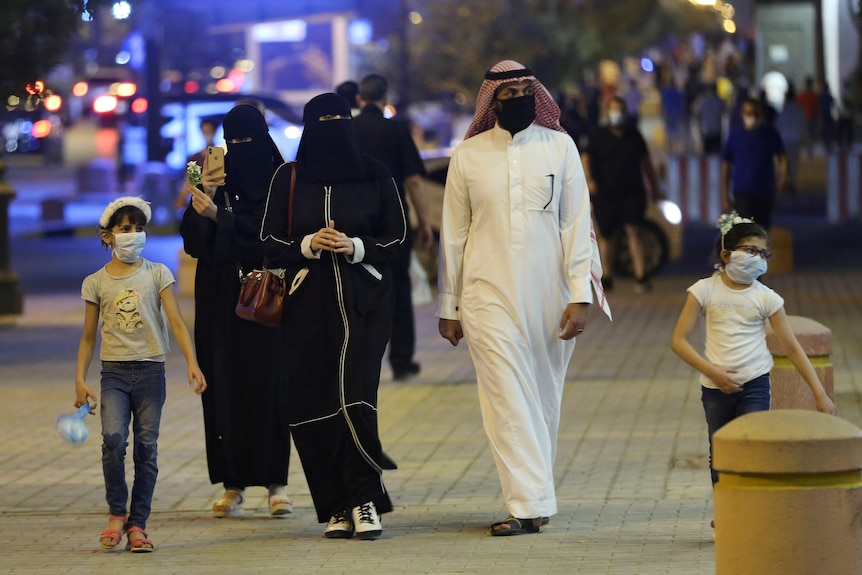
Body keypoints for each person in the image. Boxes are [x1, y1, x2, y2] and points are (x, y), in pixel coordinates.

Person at [436, 60, 611, 537]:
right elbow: (454, 235)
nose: (517, 97)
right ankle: (526, 504)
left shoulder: (560, 146)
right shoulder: (469, 155)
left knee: (541, 396)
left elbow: (577, 226)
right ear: (491, 101)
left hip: (549, 293)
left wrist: (580, 296)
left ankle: (534, 496)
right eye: (506, 91)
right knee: (505, 395)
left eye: (523, 89)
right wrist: (448, 306)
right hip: (484, 292)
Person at [260, 92, 406, 540]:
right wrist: (307, 245)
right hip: (307, 311)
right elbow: (267, 240)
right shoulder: (288, 178)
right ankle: (336, 505)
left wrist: (357, 247)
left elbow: (397, 235)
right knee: (315, 407)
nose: (333, 128)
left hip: (364, 308)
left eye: (340, 120)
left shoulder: (374, 174)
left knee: (354, 401)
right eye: (324, 122)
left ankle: (364, 500)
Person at [669, 213, 837, 520]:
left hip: (755, 384)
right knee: (720, 453)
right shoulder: (703, 291)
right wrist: (713, 372)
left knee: (752, 446)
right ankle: (726, 515)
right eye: (750, 250)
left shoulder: (767, 298)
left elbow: (793, 348)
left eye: (763, 254)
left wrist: (819, 393)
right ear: (726, 253)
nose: (757, 259)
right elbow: (678, 341)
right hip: (715, 389)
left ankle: (751, 514)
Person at [74, 196, 207, 552]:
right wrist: (79, 379)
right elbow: (88, 336)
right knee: (113, 441)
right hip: (113, 373)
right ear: (108, 236)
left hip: (151, 371)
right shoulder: (95, 283)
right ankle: (117, 513)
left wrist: (192, 362)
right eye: (125, 229)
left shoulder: (159, 273)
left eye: (138, 229)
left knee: (147, 449)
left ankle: (138, 524)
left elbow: (176, 322)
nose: (133, 235)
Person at [180, 104, 292, 519]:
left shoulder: (281, 179)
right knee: (222, 384)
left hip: (264, 296)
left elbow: (271, 236)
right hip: (218, 297)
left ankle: (276, 482)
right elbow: (193, 242)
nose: (240, 149)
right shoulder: (203, 174)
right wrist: (205, 199)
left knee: (270, 384)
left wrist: (221, 218)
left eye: (248, 139)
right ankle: (232, 483)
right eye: (233, 140)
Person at [353, 73, 432, 381]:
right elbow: (413, 179)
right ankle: (401, 361)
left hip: (356, 223)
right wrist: (423, 221)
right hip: (393, 221)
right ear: (385, 100)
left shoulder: (349, 130)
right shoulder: (396, 131)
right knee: (398, 289)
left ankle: (359, 363)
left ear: (360, 99)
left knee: (357, 291)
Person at [583, 95, 662, 293]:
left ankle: (641, 275)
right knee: (608, 235)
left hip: (632, 191)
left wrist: (655, 187)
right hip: (605, 193)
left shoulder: (634, 135)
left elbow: (646, 163)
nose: (616, 113)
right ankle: (606, 276)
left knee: (635, 230)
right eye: (613, 109)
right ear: (607, 112)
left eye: (620, 109)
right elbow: (586, 156)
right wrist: (589, 179)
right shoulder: (598, 135)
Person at [720, 98, 787, 230]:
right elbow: (725, 165)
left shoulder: (770, 134)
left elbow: (782, 157)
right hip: (742, 192)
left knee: (762, 232)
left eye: (754, 113)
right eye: (748, 113)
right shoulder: (735, 136)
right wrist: (724, 194)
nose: (751, 117)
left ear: (760, 114)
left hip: (765, 192)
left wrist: (782, 178)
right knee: (747, 233)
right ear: (742, 114)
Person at [174, 118, 218, 210]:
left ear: (214, 132)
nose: (207, 134)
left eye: (210, 131)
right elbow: (190, 182)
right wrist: (181, 199)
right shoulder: (195, 158)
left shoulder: (222, 154)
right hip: (200, 201)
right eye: (204, 131)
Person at [775, 83, 805, 193]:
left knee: (783, 163)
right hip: (795, 140)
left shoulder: (783, 111)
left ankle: (784, 183)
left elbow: (778, 125)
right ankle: (790, 183)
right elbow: (803, 125)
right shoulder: (798, 110)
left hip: (784, 140)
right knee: (793, 163)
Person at [693, 83, 726, 155]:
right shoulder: (719, 101)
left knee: (708, 156)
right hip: (716, 132)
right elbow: (725, 110)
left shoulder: (701, 101)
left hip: (707, 132)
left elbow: (695, 113)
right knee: (717, 156)